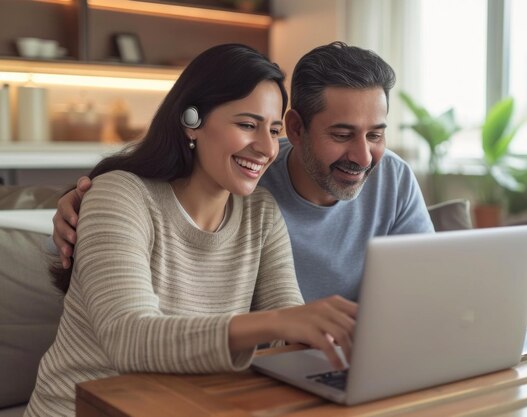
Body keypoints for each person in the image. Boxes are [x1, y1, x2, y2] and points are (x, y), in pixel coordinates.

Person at [25, 44, 357, 417]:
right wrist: (275, 322)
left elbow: (289, 323)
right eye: (248, 125)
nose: (266, 147)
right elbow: (129, 339)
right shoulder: (121, 195)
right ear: (191, 120)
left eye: (274, 129)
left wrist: (324, 330)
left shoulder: (260, 215)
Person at [52, 42, 434, 303]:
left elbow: (429, 292)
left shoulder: (392, 180)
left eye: (376, 135)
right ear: (297, 129)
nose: (364, 156)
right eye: (342, 134)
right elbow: (155, 184)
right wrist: (85, 201)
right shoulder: (243, 178)